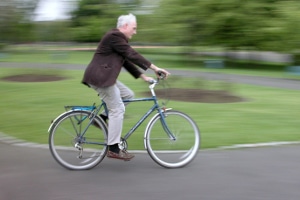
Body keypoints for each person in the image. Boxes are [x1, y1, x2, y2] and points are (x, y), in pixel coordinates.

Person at [82, 13, 170, 161]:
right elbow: (132, 54)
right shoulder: (114, 36)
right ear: (125, 26)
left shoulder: (117, 40)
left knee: (128, 95)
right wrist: (154, 68)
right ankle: (114, 148)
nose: (135, 32)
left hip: (105, 76)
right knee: (118, 108)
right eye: (134, 28)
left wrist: (143, 77)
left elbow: (127, 61)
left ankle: (102, 117)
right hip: (100, 77)